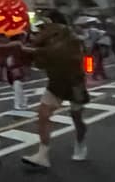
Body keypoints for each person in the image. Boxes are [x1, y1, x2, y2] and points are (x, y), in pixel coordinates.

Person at [21, 10, 89, 169]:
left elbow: (61, 53)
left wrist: (34, 51)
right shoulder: (44, 39)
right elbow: (40, 63)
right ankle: (43, 154)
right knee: (43, 115)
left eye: (46, 23)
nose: (43, 27)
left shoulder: (71, 37)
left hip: (75, 82)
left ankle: (80, 143)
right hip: (56, 82)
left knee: (77, 117)